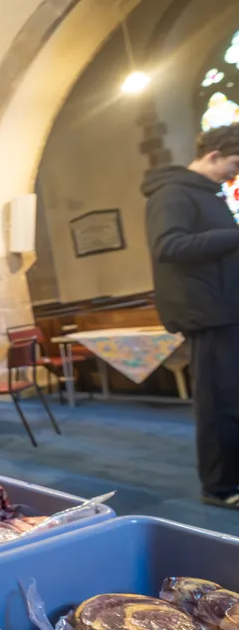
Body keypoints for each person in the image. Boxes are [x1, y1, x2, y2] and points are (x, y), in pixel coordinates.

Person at [143, 122, 239, 510]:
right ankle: (219, 487)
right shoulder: (172, 192)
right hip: (208, 313)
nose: (234, 174)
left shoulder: (207, 193)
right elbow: (168, 246)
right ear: (214, 156)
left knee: (234, 399)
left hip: (226, 309)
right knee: (219, 404)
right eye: (234, 164)